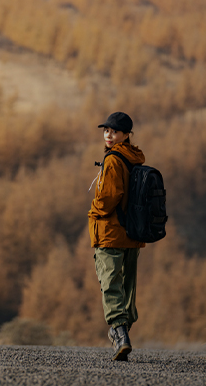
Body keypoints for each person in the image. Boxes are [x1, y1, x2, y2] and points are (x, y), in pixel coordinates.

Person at [88, 111, 146, 361]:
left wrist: (93, 211)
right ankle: (123, 334)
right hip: (132, 234)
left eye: (114, 131)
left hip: (111, 232)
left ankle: (119, 334)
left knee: (110, 283)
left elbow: (110, 197)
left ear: (126, 135)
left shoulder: (113, 160)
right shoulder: (135, 159)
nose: (109, 135)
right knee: (128, 286)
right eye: (106, 130)